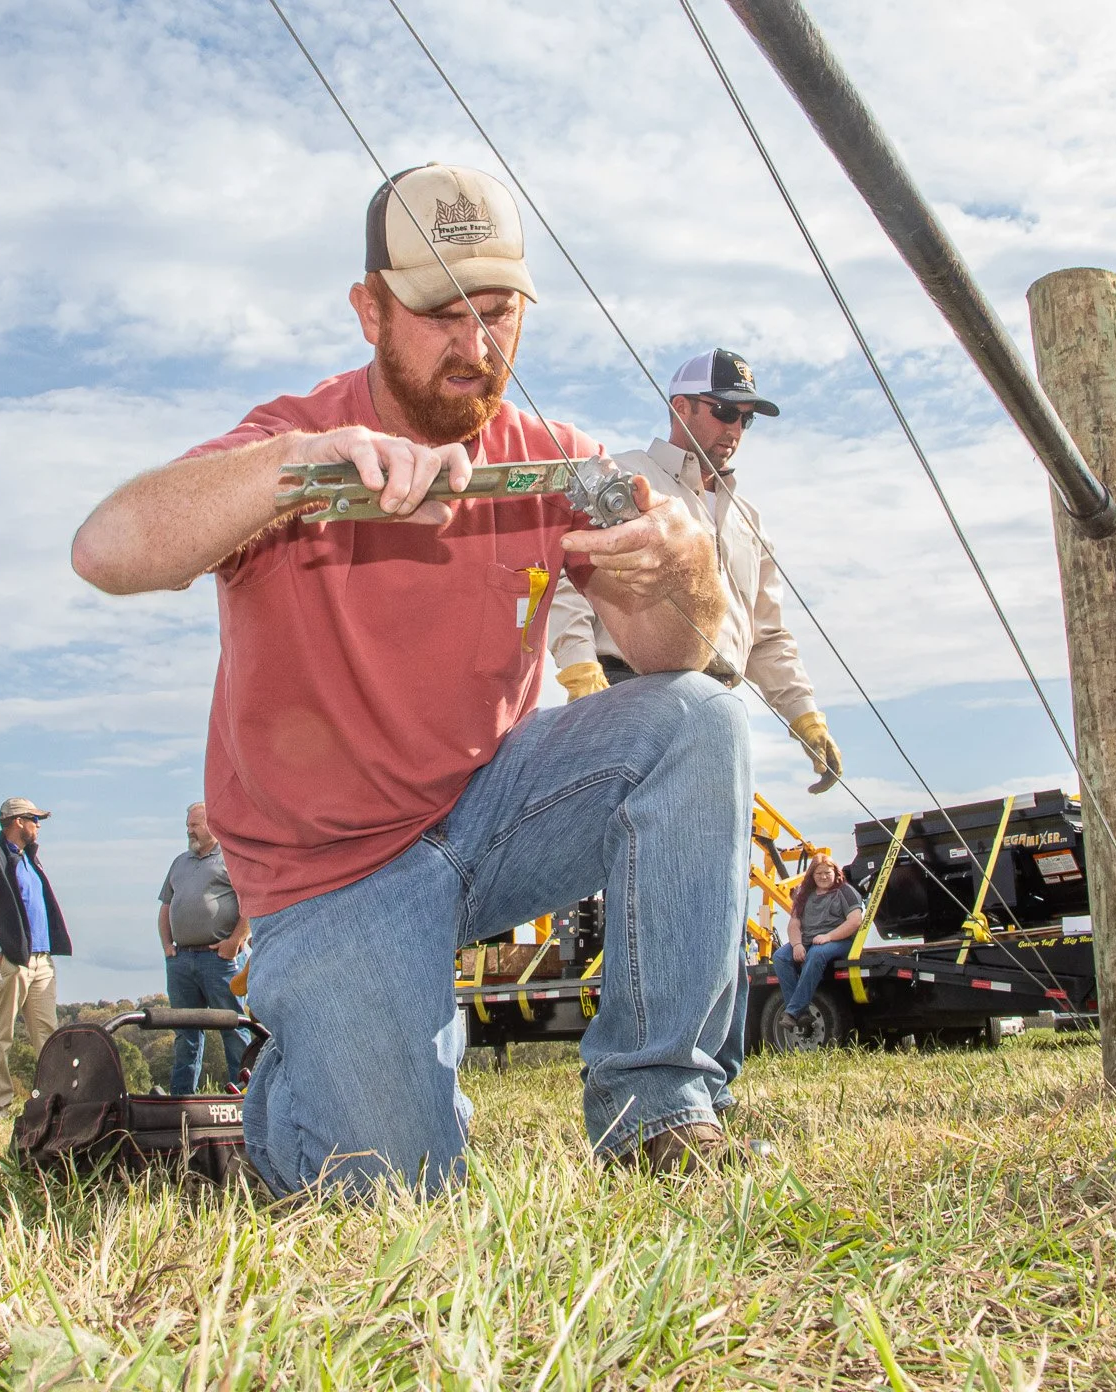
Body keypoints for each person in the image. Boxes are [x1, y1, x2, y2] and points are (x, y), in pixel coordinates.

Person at [70, 163, 750, 1193]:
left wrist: (688, 574)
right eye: (441, 315)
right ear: (370, 308)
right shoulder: (291, 445)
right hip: (334, 874)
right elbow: (108, 549)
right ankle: (288, 1101)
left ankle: (664, 1110)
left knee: (699, 721)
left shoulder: (560, 462)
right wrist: (300, 470)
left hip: (488, 815)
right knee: (395, 1184)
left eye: (499, 313)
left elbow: (670, 662)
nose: (476, 350)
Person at [547, 347, 842, 793]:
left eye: (747, 419)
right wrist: (580, 669)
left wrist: (805, 716)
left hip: (719, 704)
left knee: (706, 855)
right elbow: (569, 578)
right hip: (633, 692)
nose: (735, 429)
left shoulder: (747, 518)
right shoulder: (626, 480)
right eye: (724, 411)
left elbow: (767, 633)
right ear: (679, 408)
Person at [0, 797, 71, 1118]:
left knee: (48, 1036)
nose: (38, 825)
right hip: (10, 961)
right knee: (2, 1033)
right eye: (34, 819)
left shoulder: (30, 860)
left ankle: (54, 1105)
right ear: (17, 822)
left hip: (40, 961)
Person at [159, 801, 253, 1094]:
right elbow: (166, 905)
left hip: (219, 959)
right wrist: (167, 946)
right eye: (188, 825)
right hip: (182, 960)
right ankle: (181, 1100)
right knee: (185, 1034)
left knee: (233, 1028)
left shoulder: (231, 858)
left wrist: (234, 942)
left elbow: (250, 903)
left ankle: (244, 1094)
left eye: (195, 825)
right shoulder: (179, 862)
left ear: (212, 824)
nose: (190, 830)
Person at [772, 858, 866, 1025]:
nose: (823, 877)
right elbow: (794, 923)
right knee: (780, 956)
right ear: (812, 875)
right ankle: (801, 1013)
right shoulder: (803, 894)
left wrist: (828, 937)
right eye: (819, 873)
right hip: (809, 940)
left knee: (816, 954)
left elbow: (855, 921)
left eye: (827, 873)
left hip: (840, 941)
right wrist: (797, 945)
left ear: (835, 873)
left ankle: (793, 1011)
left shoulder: (845, 891)